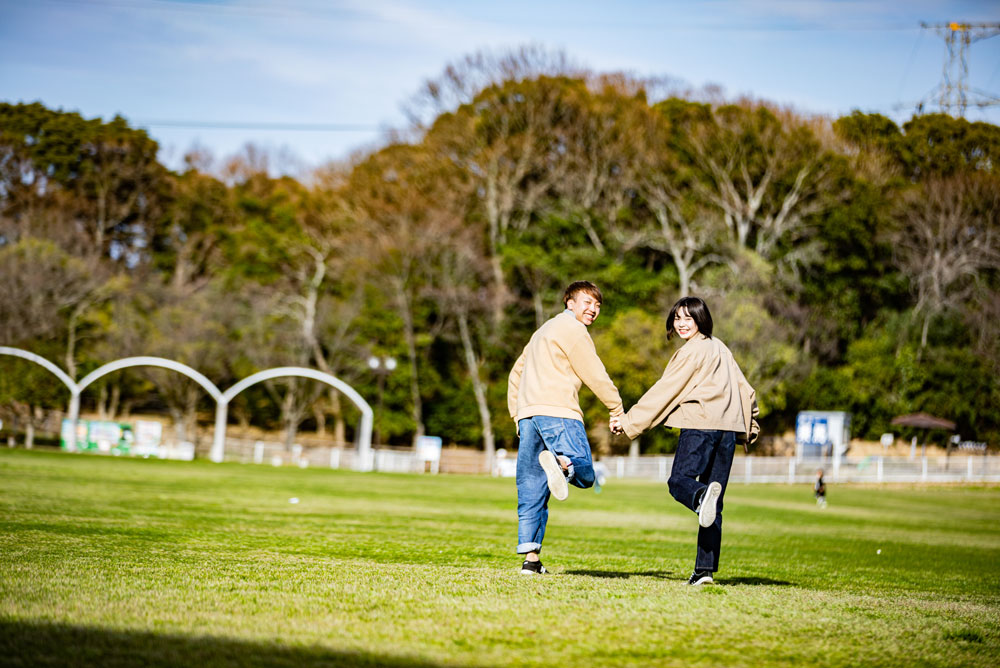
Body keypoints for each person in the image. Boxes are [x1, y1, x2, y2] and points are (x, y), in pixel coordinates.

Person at [610, 296, 758, 586]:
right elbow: (746, 391)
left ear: (701, 320)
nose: (681, 324)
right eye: (677, 318)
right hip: (727, 431)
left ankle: (701, 498)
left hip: (700, 425)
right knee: (714, 505)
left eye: (688, 318)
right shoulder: (722, 349)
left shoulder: (692, 351)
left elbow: (665, 391)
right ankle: (704, 572)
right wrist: (749, 428)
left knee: (680, 481)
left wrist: (629, 422)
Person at [507, 280, 624, 575]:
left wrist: (518, 417)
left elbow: (515, 374)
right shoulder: (573, 330)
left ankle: (530, 563)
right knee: (584, 474)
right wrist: (616, 407)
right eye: (587, 302)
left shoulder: (541, 332)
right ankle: (561, 464)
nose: (593, 309)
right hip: (559, 412)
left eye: (598, 305)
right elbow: (594, 372)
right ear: (569, 303)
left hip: (530, 417)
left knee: (531, 490)